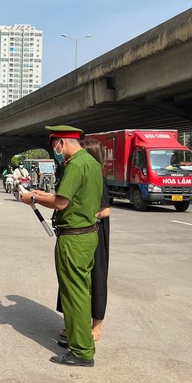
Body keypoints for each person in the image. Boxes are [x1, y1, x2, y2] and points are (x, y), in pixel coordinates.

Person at [20, 125, 103, 367]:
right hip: (88, 235)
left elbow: (61, 202)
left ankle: (82, 352)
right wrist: (39, 193)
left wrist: (32, 198)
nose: (56, 151)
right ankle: (79, 339)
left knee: (73, 293)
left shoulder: (75, 165)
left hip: (73, 238)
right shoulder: (92, 163)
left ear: (62, 143)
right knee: (82, 291)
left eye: (55, 146)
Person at [57, 139, 111, 343]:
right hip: (81, 232)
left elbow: (105, 210)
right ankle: (74, 326)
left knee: (93, 280)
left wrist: (82, 216)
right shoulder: (81, 172)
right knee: (73, 283)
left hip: (90, 232)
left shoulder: (94, 175)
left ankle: (94, 329)